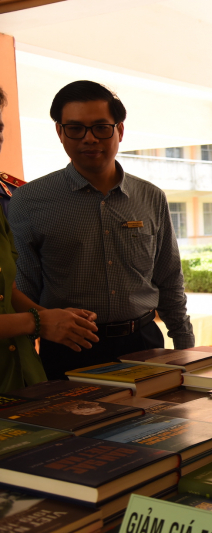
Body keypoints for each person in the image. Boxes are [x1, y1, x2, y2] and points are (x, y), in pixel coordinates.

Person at [9, 81, 193, 380]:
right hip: (69, 350)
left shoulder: (151, 197)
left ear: (119, 131)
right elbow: (23, 291)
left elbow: (169, 278)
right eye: (76, 128)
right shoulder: (29, 201)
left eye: (100, 127)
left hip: (144, 345)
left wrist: (185, 345)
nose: (90, 138)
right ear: (60, 132)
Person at [0, 85, 101, 391]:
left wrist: (51, 316)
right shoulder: (29, 198)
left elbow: (7, 288)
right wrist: (39, 322)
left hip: (17, 372)